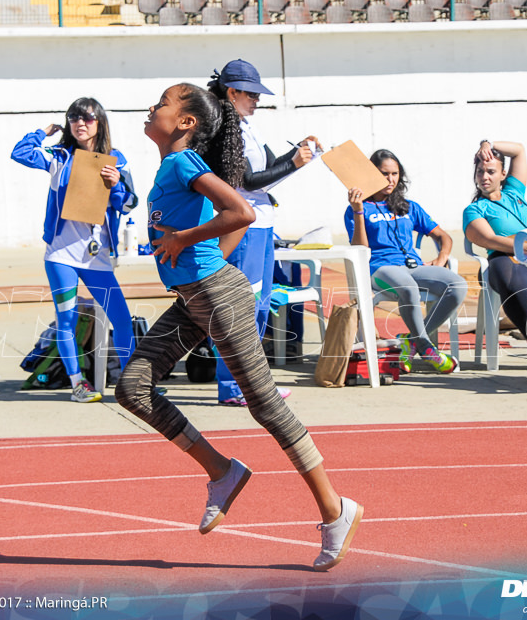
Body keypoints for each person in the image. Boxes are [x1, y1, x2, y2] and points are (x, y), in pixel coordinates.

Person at [115, 82, 363, 571]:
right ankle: (222, 471)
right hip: (194, 297)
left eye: (162, 103)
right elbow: (238, 223)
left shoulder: (186, 164)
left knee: (264, 404)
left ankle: (336, 511)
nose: (151, 107)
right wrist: (199, 261)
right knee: (133, 389)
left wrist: (187, 244)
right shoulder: (171, 166)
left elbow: (243, 213)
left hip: (217, 295)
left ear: (186, 122)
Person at [11, 98, 138, 403]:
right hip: (61, 256)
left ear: (100, 122)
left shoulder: (115, 159)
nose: (80, 123)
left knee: (121, 319)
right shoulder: (59, 156)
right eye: (73, 118)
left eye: (88, 118)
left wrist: (117, 185)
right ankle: (78, 385)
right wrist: (42, 133)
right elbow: (20, 153)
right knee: (66, 319)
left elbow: (129, 203)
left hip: (96, 257)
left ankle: (133, 385)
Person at [206, 59, 317, 405]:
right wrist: (293, 163)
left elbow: (271, 168)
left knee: (260, 307)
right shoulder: (224, 127)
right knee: (239, 307)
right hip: (242, 226)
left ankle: (251, 383)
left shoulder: (245, 125)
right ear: (232, 92)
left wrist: (298, 152)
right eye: (251, 93)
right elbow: (246, 180)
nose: (257, 99)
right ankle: (232, 386)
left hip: (262, 224)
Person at [346, 149, 466, 374]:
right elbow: (360, 249)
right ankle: (427, 348)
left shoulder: (409, 207)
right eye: (384, 174)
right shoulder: (360, 207)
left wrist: (441, 259)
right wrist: (358, 211)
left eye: (395, 173)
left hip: (413, 267)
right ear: (371, 174)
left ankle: (411, 340)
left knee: (458, 285)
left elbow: (443, 237)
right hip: (380, 269)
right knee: (408, 287)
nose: (390, 180)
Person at [462, 140, 527, 372]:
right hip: (505, 259)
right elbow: (488, 240)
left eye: (491, 171)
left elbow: (519, 150)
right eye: (480, 172)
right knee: (511, 280)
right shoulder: (475, 209)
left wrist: (487, 144)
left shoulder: (514, 192)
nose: (485, 177)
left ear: (503, 174)